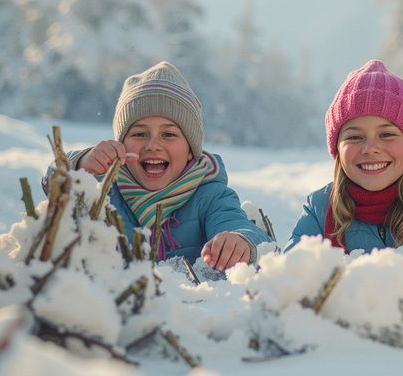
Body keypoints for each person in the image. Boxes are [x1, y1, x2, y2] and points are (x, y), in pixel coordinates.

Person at [47, 61, 269, 270]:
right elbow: (53, 184)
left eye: (169, 134)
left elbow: (241, 226)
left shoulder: (209, 195)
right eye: (140, 133)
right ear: (121, 143)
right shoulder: (104, 188)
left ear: (191, 150)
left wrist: (239, 241)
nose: (153, 145)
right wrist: (82, 164)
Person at [284, 59, 403, 256]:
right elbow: (285, 277)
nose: (370, 148)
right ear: (337, 149)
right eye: (354, 137)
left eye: (386, 135)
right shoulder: (320, 208)